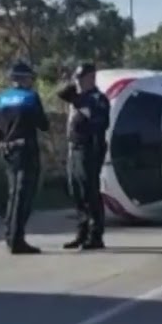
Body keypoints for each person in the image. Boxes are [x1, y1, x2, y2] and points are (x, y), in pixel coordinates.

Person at [0, 61, 49, 255]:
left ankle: (10, 235)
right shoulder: (31, 97)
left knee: (13, 194)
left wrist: (3, 137)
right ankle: (18, 239)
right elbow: (43, 125)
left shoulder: (2, 98)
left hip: (9, 150)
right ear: (25, 79)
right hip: (26, 149)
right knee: (24, 194)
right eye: (30, 78)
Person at [57, 62, 110, 251]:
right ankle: (82, 232)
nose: (78, 82)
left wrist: (82, 104)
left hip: (90, 148)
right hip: (75, 147)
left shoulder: (98, 99)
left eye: (82, 78)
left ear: (91, 78)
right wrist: (74, 84)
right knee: (77, 191)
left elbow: (101, 123)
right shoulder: (78, 96)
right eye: (77, 78)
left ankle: (95, 235)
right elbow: (61, 93)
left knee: (90, 191)